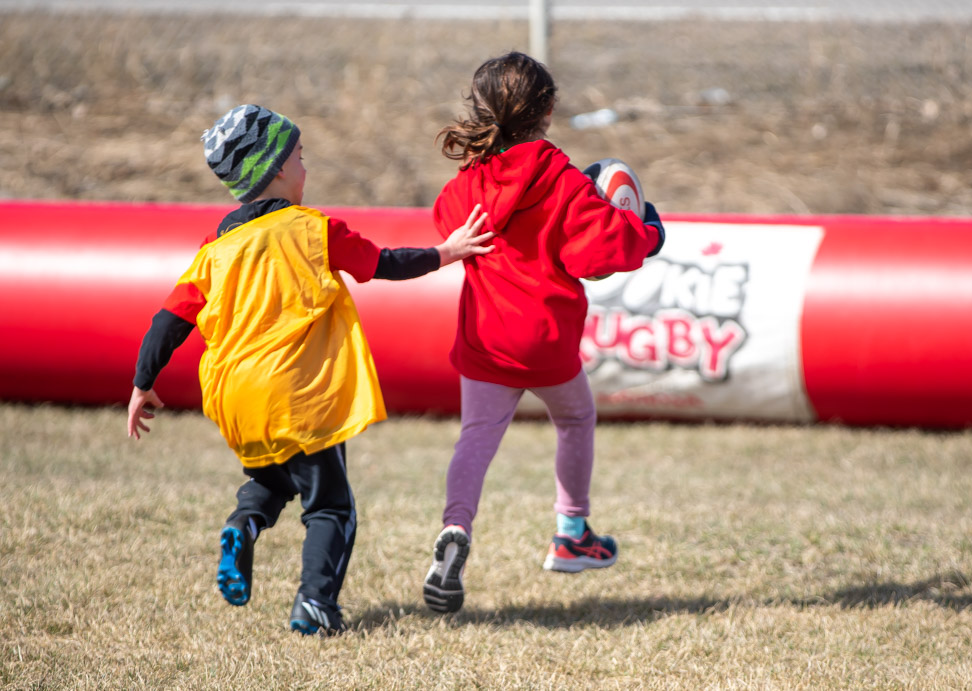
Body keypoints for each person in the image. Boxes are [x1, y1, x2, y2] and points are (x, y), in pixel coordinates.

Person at [126, 104, 493, 636]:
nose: (306, 166)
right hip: (301, 393)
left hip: (236, 398)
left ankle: (243, 526)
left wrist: (142, 383)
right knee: (331, 508)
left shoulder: (214, 251)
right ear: (275, 169)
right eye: (300, 156)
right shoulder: (313, 230)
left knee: (271, 479)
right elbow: (382, 264)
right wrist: (447, 251)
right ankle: (315, 605)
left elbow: (167, 322)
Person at [422, 52, 665, 614]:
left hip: (487, 338)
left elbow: (444, 219)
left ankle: (455, 529)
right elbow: (602, 250)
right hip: (548, 341)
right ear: (548, 112)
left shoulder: (469, 183)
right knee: (575, 418)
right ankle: (572, 533)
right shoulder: (561, 179)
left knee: (475, 439)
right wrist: (647, 230)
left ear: (485, 111)